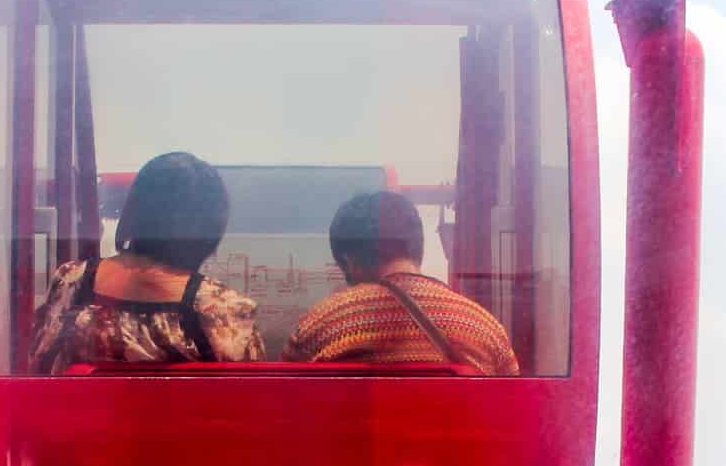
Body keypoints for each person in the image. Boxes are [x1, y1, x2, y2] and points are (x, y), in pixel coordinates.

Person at [29, 152, 264, 372]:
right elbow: (250, 400)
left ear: (134, 209)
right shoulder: (225, 309)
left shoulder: (73, 281)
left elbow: (39, 368)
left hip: (81, 416)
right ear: (210, 227)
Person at [283, 191, 520, 375]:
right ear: (418, 247)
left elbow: (285, 413)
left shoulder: (320, 325)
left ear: (350, 261)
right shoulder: (485, 329)